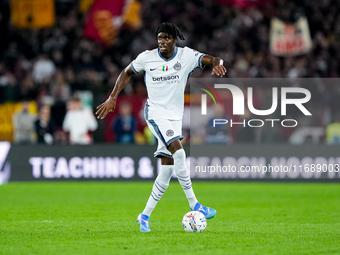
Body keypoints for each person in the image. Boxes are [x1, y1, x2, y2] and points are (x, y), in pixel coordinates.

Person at [96, 22, 226, 232]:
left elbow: (210, 58)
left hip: (175, 117)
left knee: (167, 169)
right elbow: (126, 72)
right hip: (155, 113)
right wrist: (112, 98)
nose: (162, 42)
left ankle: (144, 216)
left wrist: (218, 63)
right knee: (180, 155)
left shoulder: (186, 56)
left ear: (175, 39)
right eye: (159, 38)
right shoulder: (147, 58)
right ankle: (195, 204)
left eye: (166, 38)